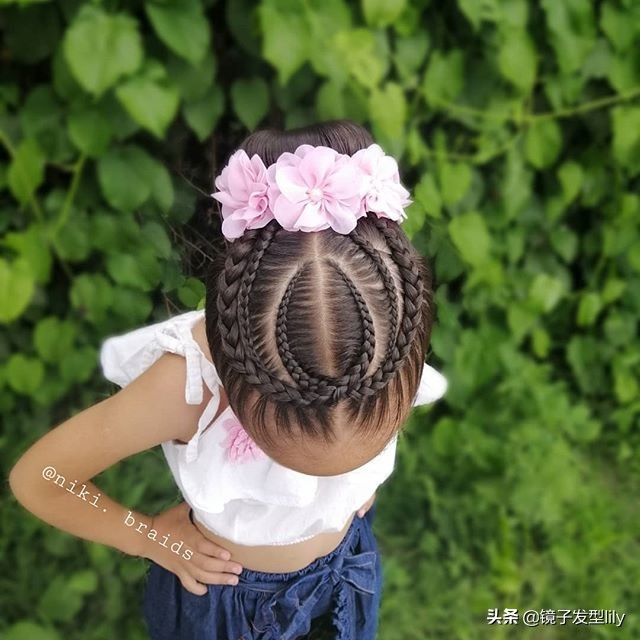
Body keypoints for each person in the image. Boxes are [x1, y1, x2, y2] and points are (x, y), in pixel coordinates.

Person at [8, 119, 448, 640]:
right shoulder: (187, 389)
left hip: (344, 570)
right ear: (232, 377)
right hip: (228, 605)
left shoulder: (382, 358)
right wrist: (148, 536)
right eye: (309, 463)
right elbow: (43, 478)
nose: (331, 476)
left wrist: (349, 493)